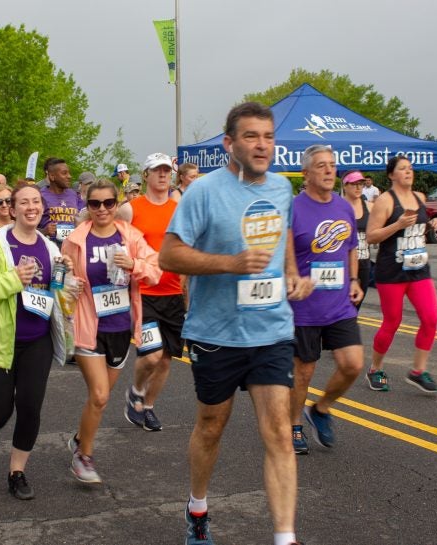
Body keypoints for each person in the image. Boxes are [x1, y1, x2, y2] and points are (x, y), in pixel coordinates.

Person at [159, 102, 310, 545]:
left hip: (272, 329)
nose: (262, 145)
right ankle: (198, 506)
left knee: (280, 431)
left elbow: (279, 239)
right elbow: (169, 255)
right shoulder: (204, 192)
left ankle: (285, 536)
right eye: (251, 136)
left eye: (268, 136)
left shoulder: (282, 188)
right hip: (216, 333)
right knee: (211, 426)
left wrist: (290, 273)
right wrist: (230, 263)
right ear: (229, 144)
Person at [0, 184, 69, 501]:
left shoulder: (50, 248)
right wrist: (12, 280)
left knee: (30, 407)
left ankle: (16, 472)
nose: (31, 207)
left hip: (38, 340)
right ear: (12, 209)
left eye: (36, 201)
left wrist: (68, 281)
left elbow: (57, 291)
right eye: (24, 202)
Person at [62, 179, 161, 483]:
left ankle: (81, 438)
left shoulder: (131, 236)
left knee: (99, 399)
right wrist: (67, 284)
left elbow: (155, 272)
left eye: (108, 203)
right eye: (95, 204)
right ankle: (84, 457)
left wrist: (134, 264)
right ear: (87, 206)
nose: (102, 209)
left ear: (116, 205)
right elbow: (61, 277)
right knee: (101, 396)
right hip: (88, 325)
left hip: (120, 326)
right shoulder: (76, 239)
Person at [289, 148, 364, 456]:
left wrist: (356, 280)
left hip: (339, 304)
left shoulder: (344, 208)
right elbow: (284, 251)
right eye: (321, 166)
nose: (329, 171)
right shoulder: (292, 208)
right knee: (304, 372)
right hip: (304, 307)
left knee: (353, 364)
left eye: (332, 166)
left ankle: (320, 409)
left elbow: (351, 248)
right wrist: (292, 277)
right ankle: (294, 425)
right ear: (306, 174)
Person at [365, 155, 437, 394]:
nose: (408, 172)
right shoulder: (385, 201)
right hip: (392, 271)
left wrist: (433, 224)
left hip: (419, 269)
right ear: (391, 175)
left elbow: (418, 226)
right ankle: (375, 369)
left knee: (431, 318)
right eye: (402, 169)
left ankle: (418, 371)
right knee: (393, 321)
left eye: (410, 168)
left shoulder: (419, 197)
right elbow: (371, 236)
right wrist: (397, 225)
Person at [118, 153, 184, 433]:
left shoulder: (178, 207)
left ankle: (147, 406)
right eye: (156, 171)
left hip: (173, 292)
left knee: (167, 357)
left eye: (166, 171)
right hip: (143, 292)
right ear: (145, 175)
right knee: (152, 355)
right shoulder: (130, 209)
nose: (163, 175)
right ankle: (135, 391)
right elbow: (119, 248)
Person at [341, 171, 372, 309]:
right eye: (354, 184)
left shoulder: (370, 206)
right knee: (342, 307)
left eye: (361, 184)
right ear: (345, 186)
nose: (358, 188)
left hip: (364, 262)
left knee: (356, 305)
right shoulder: (337, 207)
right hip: (343, 263)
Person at [38, 158, 82, 246]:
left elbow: (84, 216)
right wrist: (44, 231)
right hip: (50, 244)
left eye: (69, 173)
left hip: (73, 244)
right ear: (52, 176)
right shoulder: (39, 196)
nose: (69, 176)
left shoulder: (74, 195)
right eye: (64, 173)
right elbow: (27, 227)